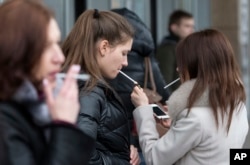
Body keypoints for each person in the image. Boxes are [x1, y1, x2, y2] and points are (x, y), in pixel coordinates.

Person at [131, 29, 249, 165]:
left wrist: (143, 110)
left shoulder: (194, 118)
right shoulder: (238, 106)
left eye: (182, 62)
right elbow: (212, 146)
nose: (178, 69)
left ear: (197, 66)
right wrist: (177, 127)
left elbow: (154, 158)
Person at [0, 0, 94, 164]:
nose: (60, 58)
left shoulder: (36, 108)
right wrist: (64, 125)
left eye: (57, 44)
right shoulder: (5, 122)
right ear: (18, 51)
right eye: (46, 46)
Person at [61, 9, 140, 165]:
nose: (125, 63)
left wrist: (125, 149)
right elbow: (81, 155)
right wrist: (121, 161)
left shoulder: (81, 84)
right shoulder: (89, 92)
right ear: (104, 47)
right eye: (124, 53)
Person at [109, 8, 170, 165]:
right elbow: (163, 93)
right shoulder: (146, 60)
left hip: (111, 139)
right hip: (139, 136)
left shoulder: (102, 61)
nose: (125, 63)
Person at [156, 9, 194, 93]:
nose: (191, 30)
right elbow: (165, 82)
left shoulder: (186, 47)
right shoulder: (168, 49)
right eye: (187, 26)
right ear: (174, 27)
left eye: (192, 26)